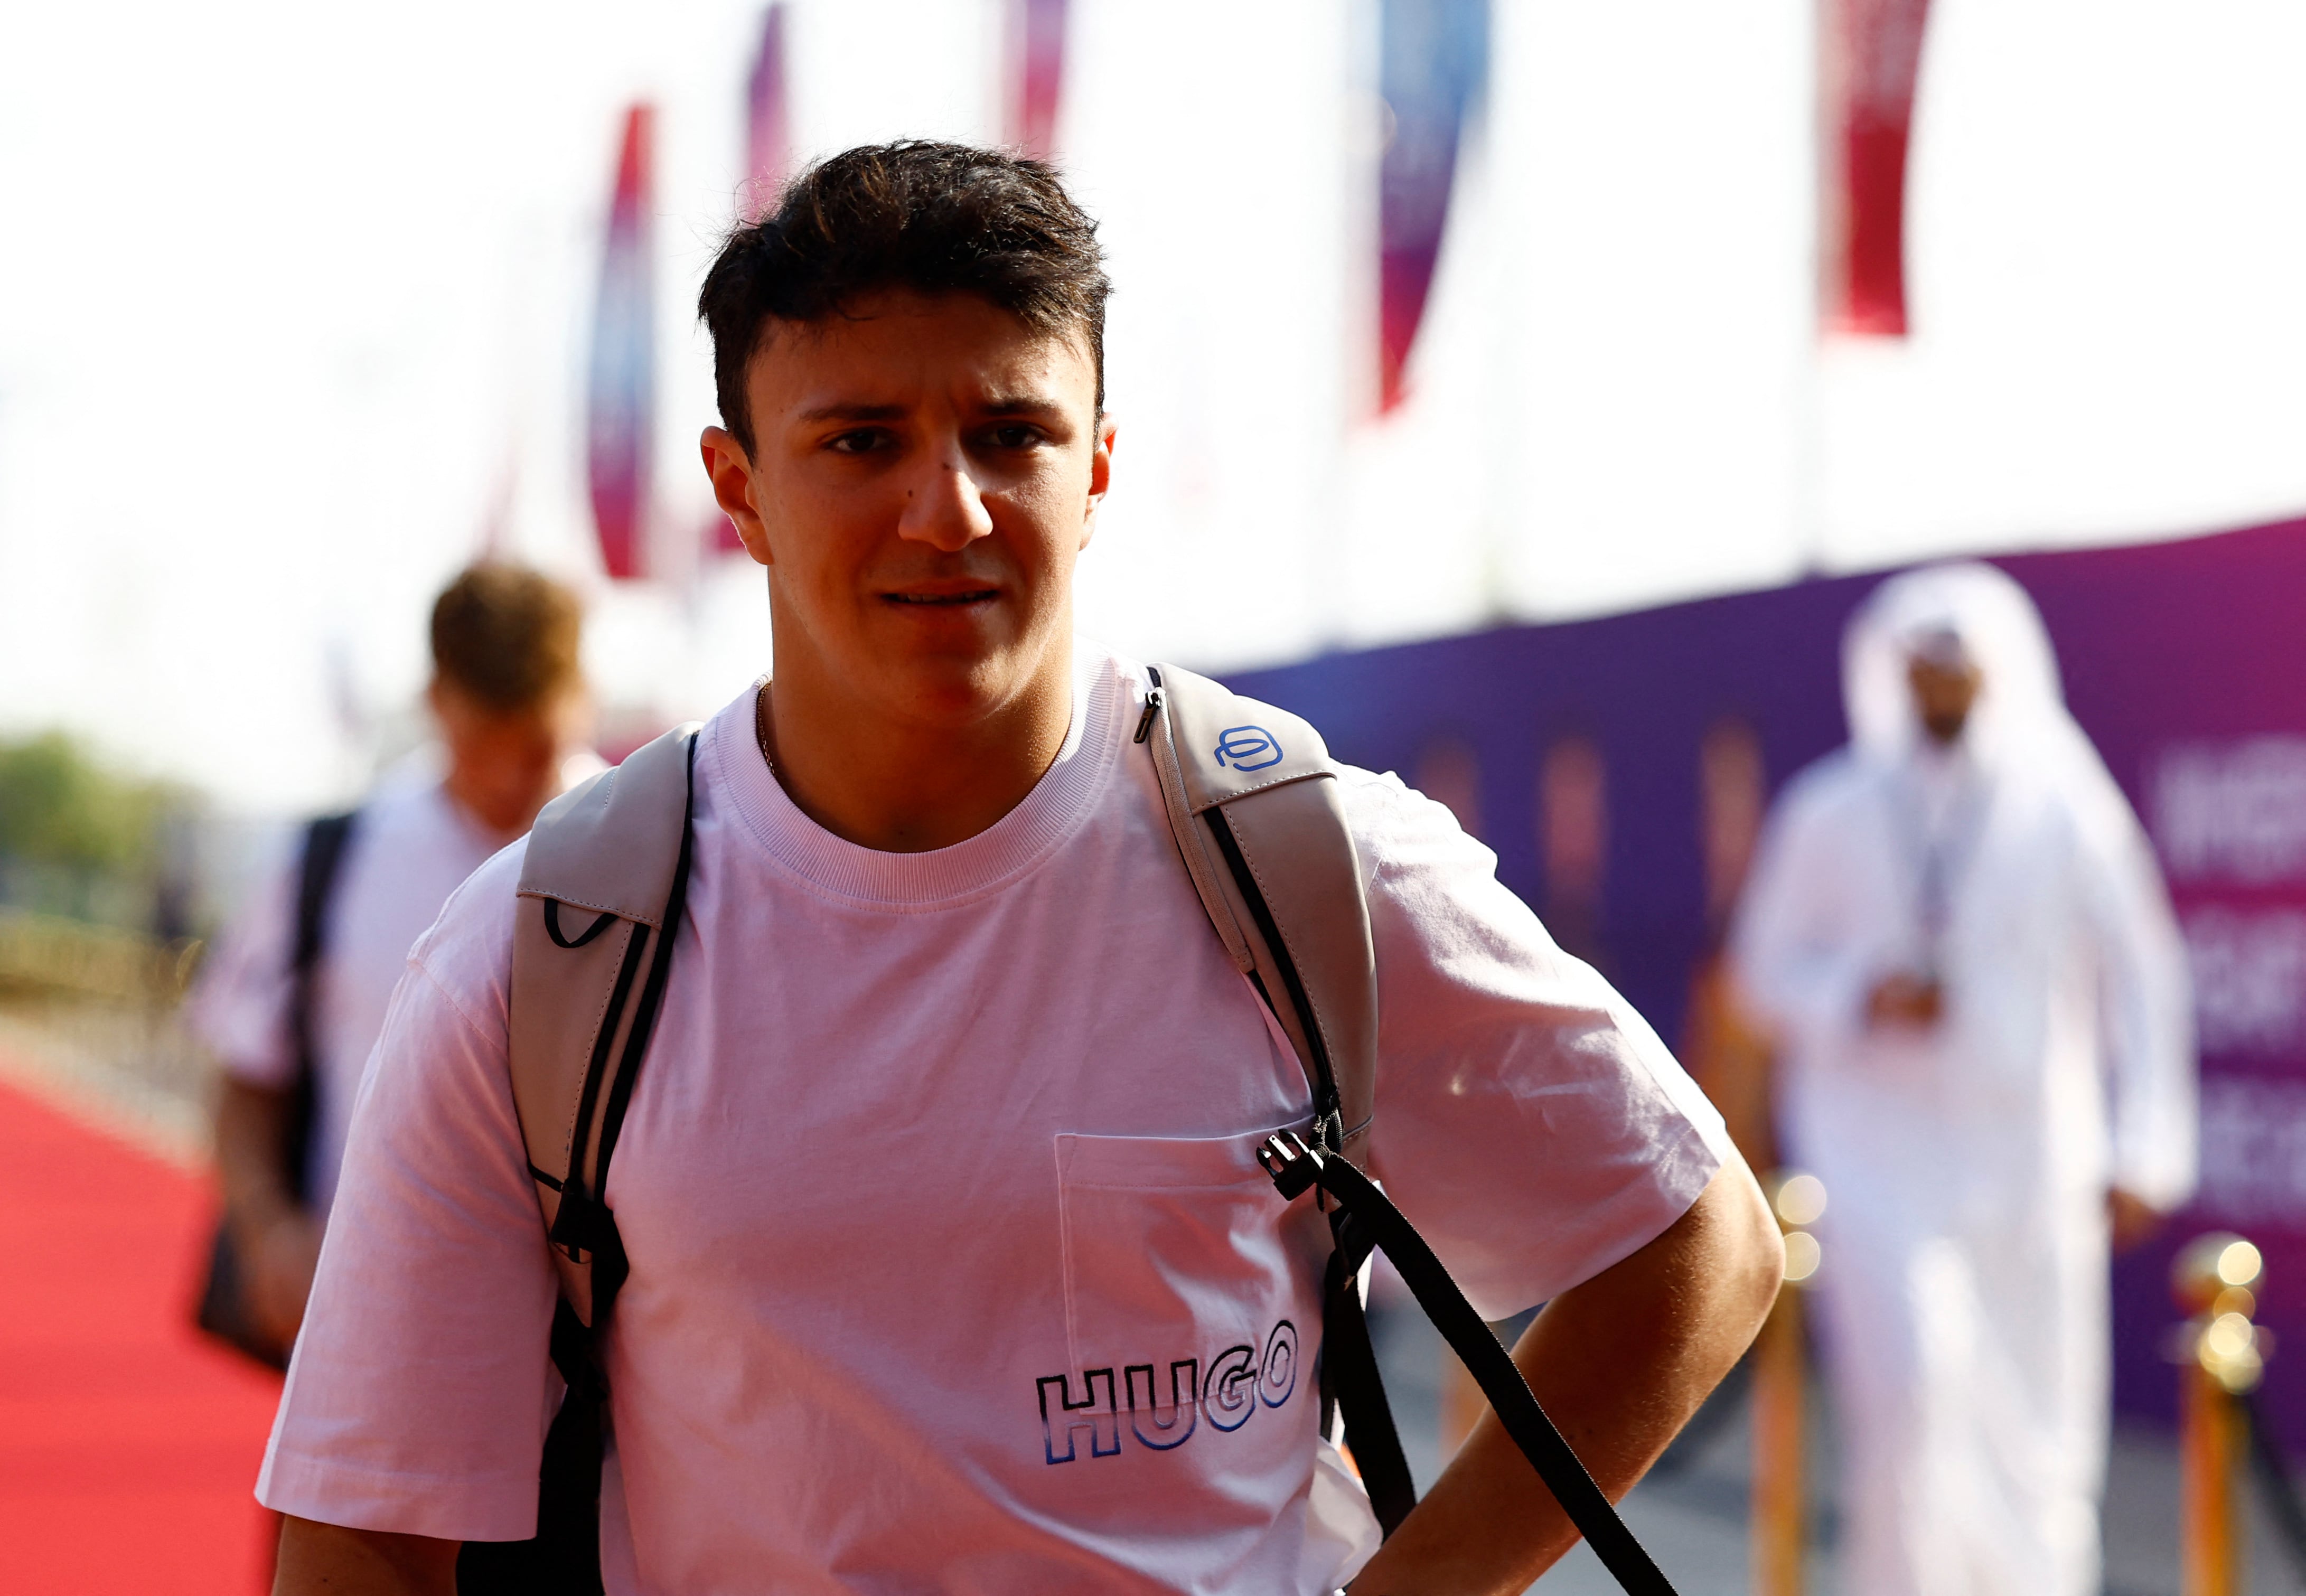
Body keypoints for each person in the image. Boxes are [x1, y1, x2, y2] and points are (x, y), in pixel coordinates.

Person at [263, 141, 1781, 1595]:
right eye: (860, 441)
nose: (950, 509)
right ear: (738, 491)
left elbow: (1699, 1239)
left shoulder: (1302, 863)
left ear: (1098, 464)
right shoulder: (550, 948)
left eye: (1011, 433)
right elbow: (366, 1525)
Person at [1731, 562, 2196, 1596]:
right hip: (1874, 1154)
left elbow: (2142, 977)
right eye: (1922, 668)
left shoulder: (2065, 808)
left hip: (2030, 1154)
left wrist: (2144, 1145)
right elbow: (1760, 973)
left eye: (1958, 668)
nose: (1940, 688)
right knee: (1910, 1393)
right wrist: (1858, 991)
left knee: (2038, 1415)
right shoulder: (1830, 807)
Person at [193, 563, 593, 1357]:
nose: (514, 776)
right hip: (369, 1334)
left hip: (587, 1359)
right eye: (485, 745)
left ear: (582, 698)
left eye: (538, 743)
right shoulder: (334, 857)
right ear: (435, 704)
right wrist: (271, 1226)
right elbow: (245, 1080)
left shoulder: (652, 855)